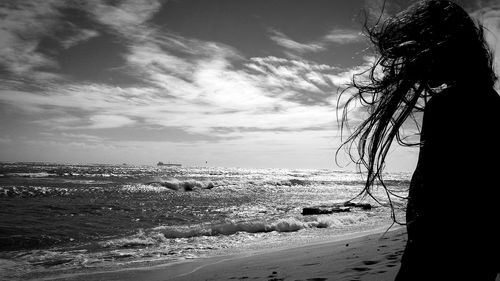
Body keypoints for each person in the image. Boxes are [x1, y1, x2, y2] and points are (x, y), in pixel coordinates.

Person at [338, 1, 500, 280]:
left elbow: (429, 205)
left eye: (419, 52)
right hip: (475, 260)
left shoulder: (448, 107)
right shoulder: (491, 104)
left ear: (441, 48)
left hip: (438, 261)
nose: (416, 65)